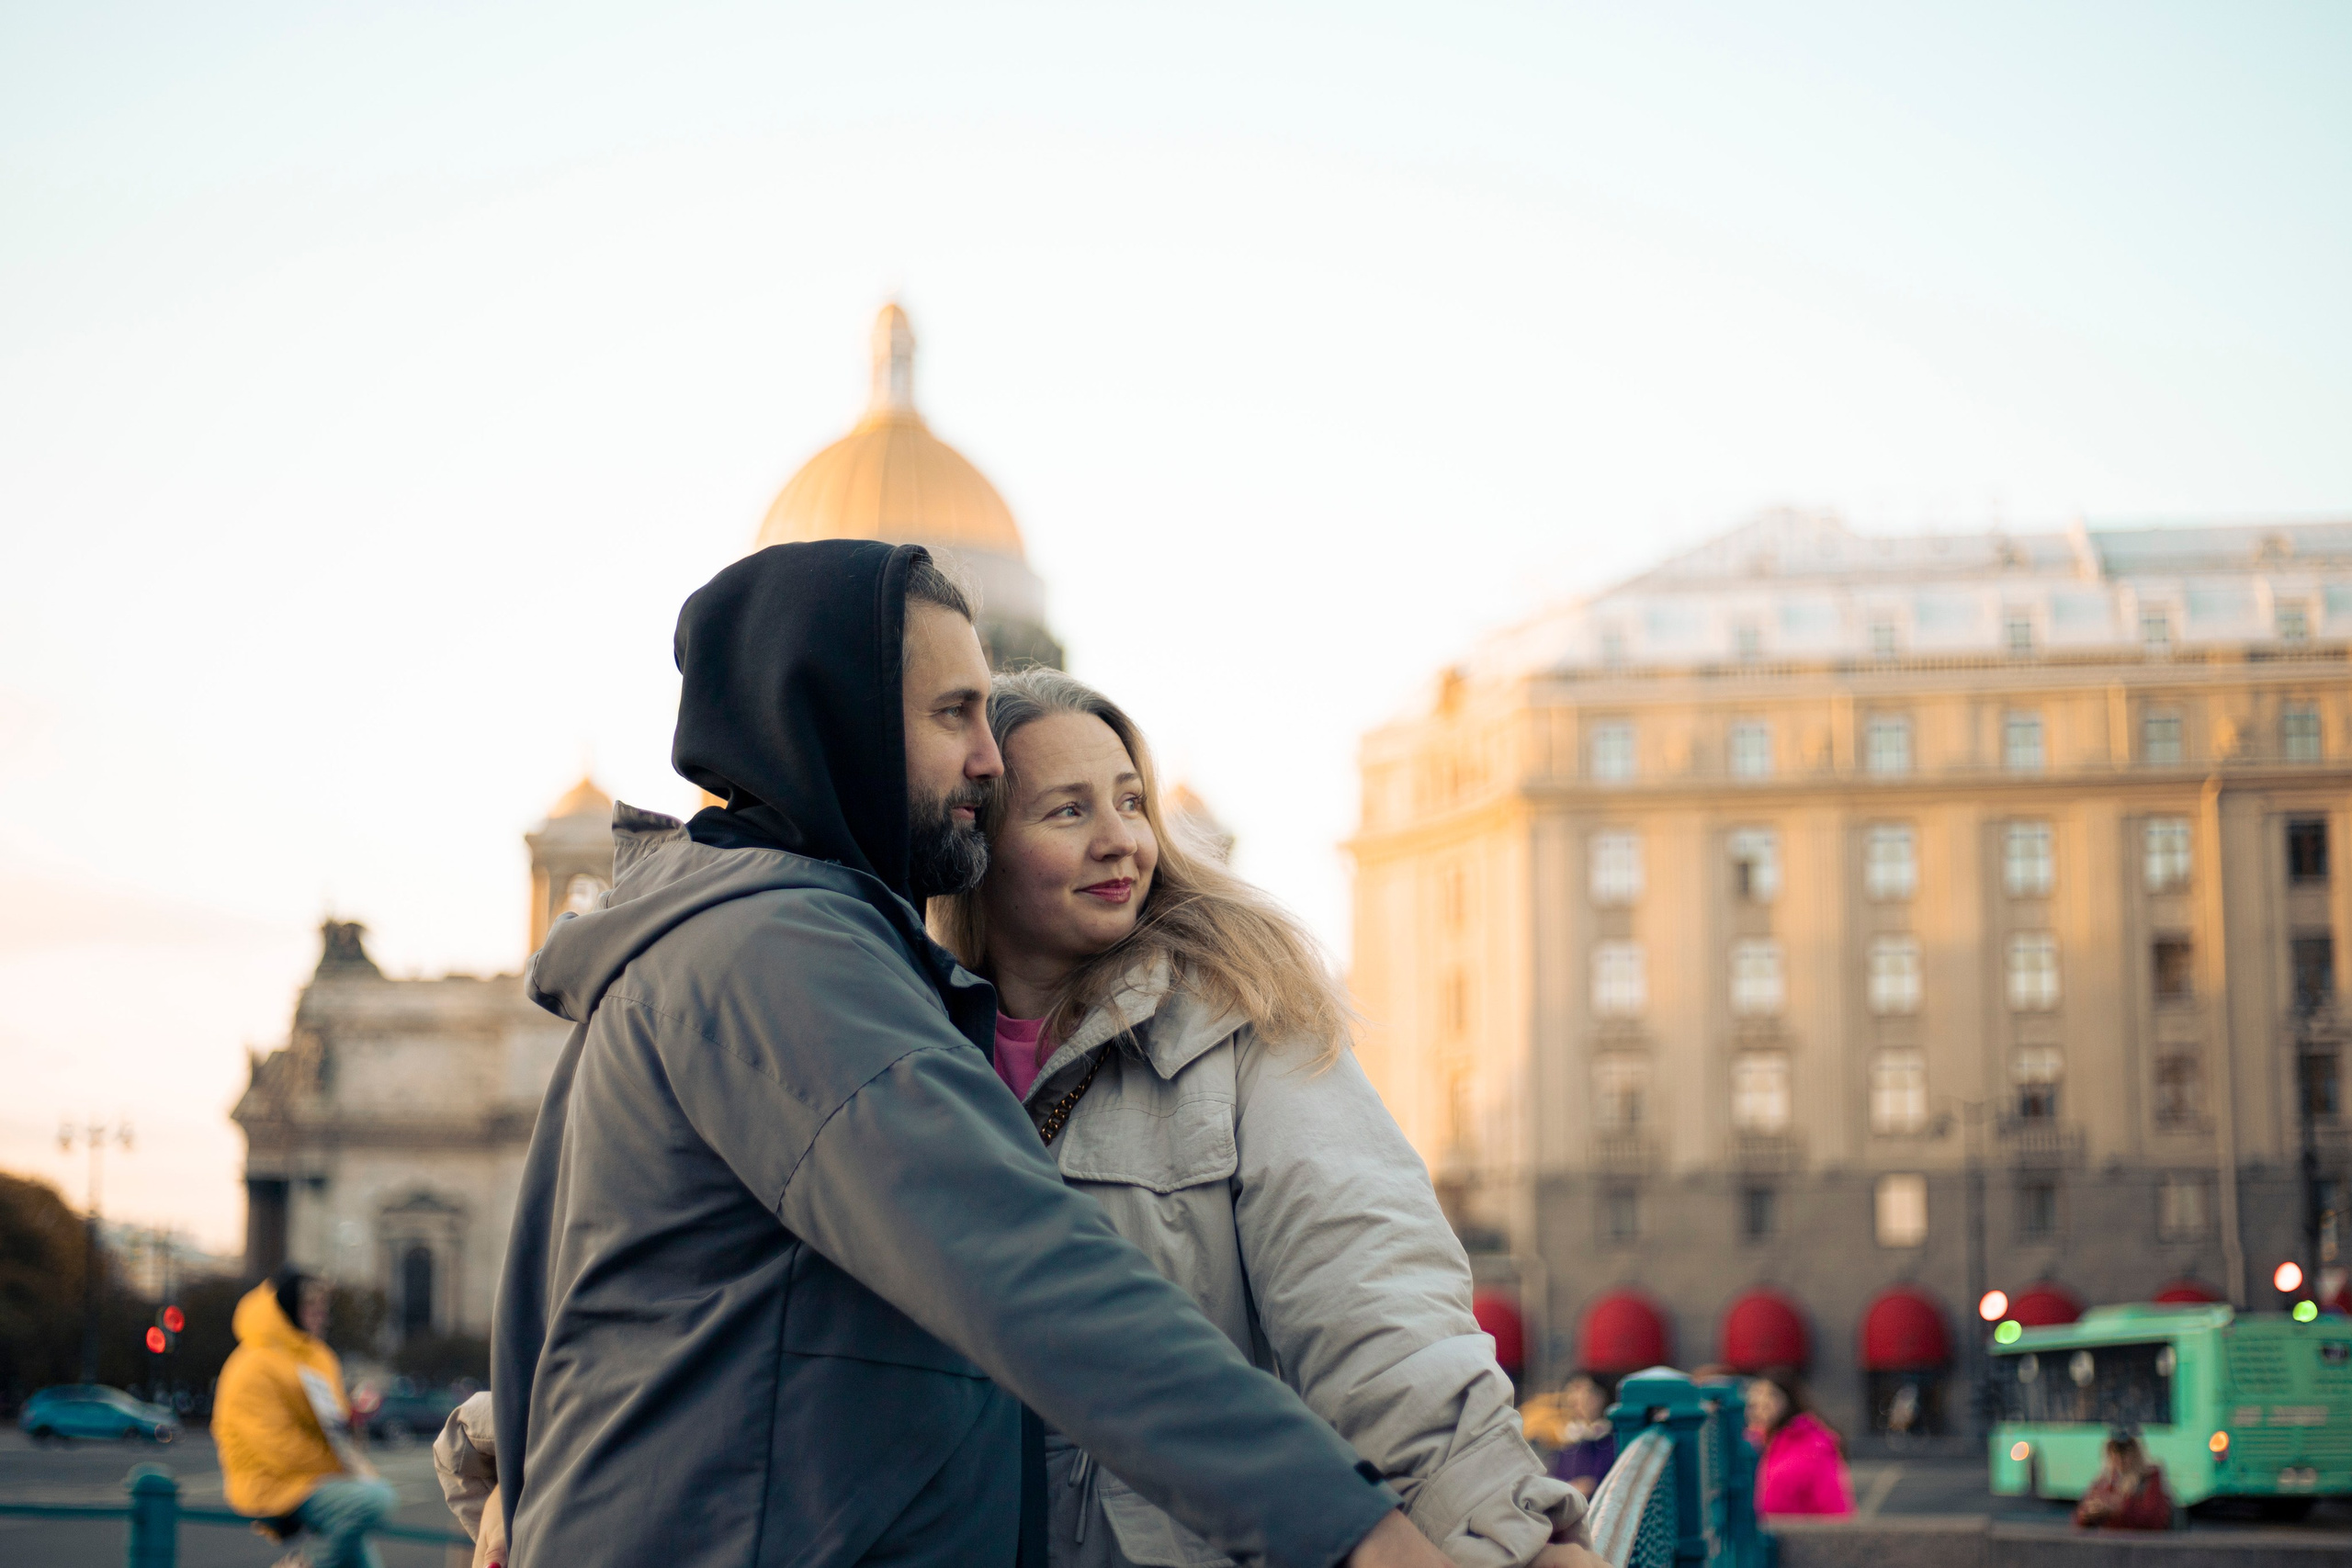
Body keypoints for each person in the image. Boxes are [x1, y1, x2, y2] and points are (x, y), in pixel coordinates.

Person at [492, 540, 1451, 1568]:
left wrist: (520, 1473)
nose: (988, 759)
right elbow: (1029, 1271)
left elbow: (551, 1310)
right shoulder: (780, 955)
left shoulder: (727, 943)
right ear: (841, 722)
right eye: (954, 714)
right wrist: (1352, 1532)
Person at [927, 669, 1599, 1568]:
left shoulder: (1242, 1024)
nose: (1120, 841)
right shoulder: (910, 1052)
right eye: (1068, 811)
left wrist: (1509, 1533)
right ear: (981, 843)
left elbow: (1376, 1302)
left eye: (1131, 803)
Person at [213, 1269, 399, 1568]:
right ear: (290, 1310)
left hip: (310, 1480)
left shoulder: (318, 1356)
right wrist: (340, 1472)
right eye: (313, 1308)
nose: (323, 1316)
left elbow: (327, 1424)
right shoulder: (253, 1364)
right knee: (374, 1499)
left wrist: (351, 1419)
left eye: (324, 1308)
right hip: (274, 1482)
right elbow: (272, 1445)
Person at [1744, 1368, 1853, 1517]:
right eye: (1755, 1398)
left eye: (1770, 1396)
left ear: (1788, 1401)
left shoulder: (1813, 1444)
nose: (1760, 1404)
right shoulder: (1753, 1442)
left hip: (1798, 1535)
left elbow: (1833, 1506)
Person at [2073, 1429, 2174, 1530]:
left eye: (2125, 1452)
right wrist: (2089, 1513)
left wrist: (2119, 1509)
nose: (2119, 1458)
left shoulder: (2150, 1478)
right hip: (2110, 1543)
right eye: (2114, 1452)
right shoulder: (2105, 1481)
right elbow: (2079, 1520)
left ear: (2135, 1452)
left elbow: (2154, 1521)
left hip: (2141, 1544)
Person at [1532, 1377, 1615, 1500]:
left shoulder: (1610, 1439)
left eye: (1583, 1392)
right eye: (1571, 1391)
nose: (1574, 1398)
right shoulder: (1565, 1439)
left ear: (1600, 1398)